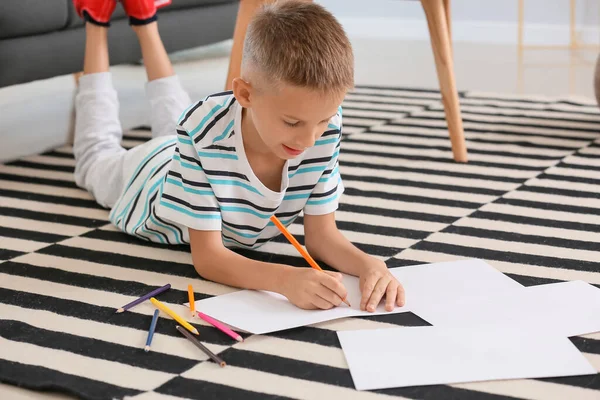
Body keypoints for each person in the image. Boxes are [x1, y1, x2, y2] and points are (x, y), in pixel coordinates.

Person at [73, 0, 405, 312]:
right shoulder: (201, 132)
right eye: (292, 122)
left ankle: (145, 18)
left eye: (323, 120)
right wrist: (285, 279)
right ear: (244, 94)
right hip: (146, 178)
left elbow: (322, 238)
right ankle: (95, 21)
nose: (309, 139)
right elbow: (209, 260)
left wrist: (370, 265)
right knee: (95, 158)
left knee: (177, 121)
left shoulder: (322, 126)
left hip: (197, 147)